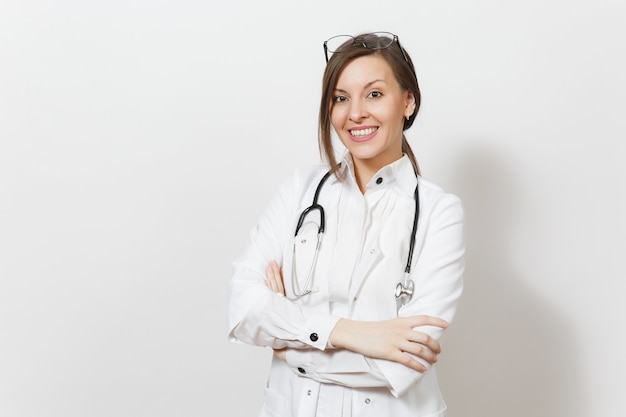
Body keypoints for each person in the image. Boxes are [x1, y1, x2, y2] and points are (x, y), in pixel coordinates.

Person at [227, 31, 465, 417]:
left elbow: (405, 363)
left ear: (408, 101)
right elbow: (243, 308)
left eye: (374, 94)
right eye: (341, 98)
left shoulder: (440, 212)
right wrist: (352, 333)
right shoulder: (298, 192)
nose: (355, 113)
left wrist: (290, 347)